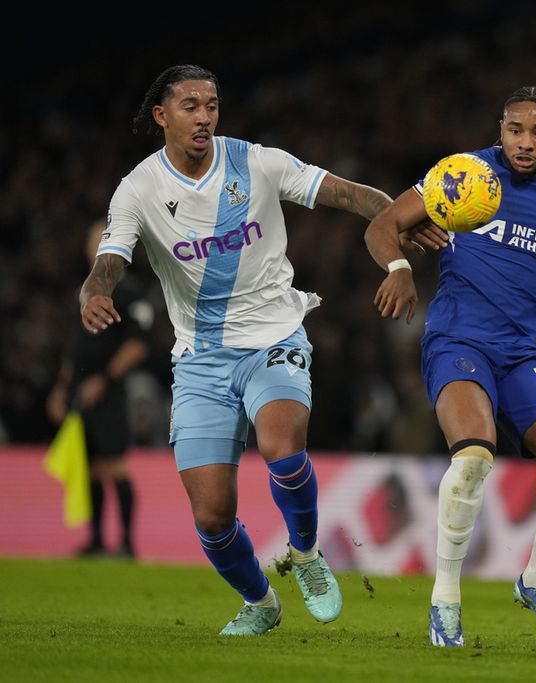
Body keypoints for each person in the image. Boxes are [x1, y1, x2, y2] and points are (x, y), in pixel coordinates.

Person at [79, 64, 445, 636]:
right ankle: (260, 602)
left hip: (274, 336)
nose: (204, 117)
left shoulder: (258, 161)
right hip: (200, 359)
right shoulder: (139, 188)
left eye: (212, 105)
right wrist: (94, 291)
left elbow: (346, 194)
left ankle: (304, 552)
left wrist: (401, 216)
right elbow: (110, 260)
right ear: (161, 116)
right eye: (190, 106)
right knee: (211, 516)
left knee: (281, 447)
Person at [365, 86, 536, 647]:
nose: (524, 143)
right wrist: (399, 266)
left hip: (529, 350)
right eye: (514, 130)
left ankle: (534, 581)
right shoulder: (464, 174)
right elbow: (383, 223)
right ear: (500, 128)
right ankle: (445, 601)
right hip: (459, 338)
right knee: (473, 456)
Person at [47, 219, 153, 558]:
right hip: (80, 386)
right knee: (90, 466)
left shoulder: (129, 289)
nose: (95, 245)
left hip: (108, 389)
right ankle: (95, 541)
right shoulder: (85, 290)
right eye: (92, 239)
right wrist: (62, 388)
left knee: (114, 464)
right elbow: (75, 346)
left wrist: (105, 379)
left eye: (102, 239)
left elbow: (138, 344)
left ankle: (126, 544)